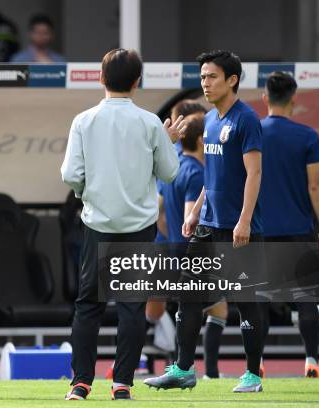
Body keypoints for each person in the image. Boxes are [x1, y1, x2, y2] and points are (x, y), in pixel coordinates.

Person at [61, 48, 184, 401]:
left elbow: (71, 174)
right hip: (139, 226)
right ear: (137, 81)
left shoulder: (83, 120)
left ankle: (80, 383)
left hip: (97, 223)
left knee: (88, 305)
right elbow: (169, 173)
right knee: (131, 306)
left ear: (101, 78)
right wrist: (168, 141)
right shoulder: (149, 123)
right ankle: (122, 384)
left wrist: (88, 193)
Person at [145, 50, 265, 393]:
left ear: (232, 80)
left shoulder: (247, 120)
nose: (205, 83)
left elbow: (254, 174)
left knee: (245, 302)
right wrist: (197, 208)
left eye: (211, 76)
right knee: (188, 295)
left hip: (238, 228)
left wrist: (244, 220)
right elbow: (212, 176)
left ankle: (253, 375)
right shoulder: (210, 120)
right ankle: (183, 369)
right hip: (207, 225)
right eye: (202, 77)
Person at [258, 71, 319, 378]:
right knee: (305, 298)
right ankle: (312, 361)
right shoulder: (307, 136)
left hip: (260, 230)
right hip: (298, 229)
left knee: (259, 300)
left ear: (265, 98)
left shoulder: (254, 134)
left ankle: (256, 365)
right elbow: (316, 186)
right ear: (294, 99)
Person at [155, 112, 229, 379]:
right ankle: (206, 371)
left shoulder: (173, 167)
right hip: (191, 251)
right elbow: (192, 217)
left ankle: (181, 364)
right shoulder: (197, 173)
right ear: (201, 140)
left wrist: (173, 238)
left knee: (183, 307)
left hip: (172, 249)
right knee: (214, 307)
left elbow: (159, 212)